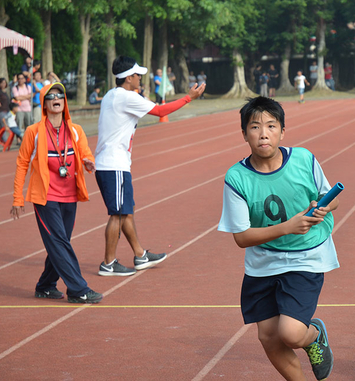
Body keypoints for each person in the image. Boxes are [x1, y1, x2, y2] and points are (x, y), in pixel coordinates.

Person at [218, 96, 339, 381]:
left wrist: (322, 206)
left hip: (306, 257)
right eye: (255, 127)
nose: (263, 133)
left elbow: (330, 198)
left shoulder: (304, 159)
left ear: (282, 131)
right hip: (263, 263)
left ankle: (314, 335)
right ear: (244, 134)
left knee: (292, 333)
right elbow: (242, 237)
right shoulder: (236, 178)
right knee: (269, 337)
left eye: (271, 126)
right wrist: (288, 226)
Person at [94, 55, 206, 276]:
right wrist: (188, 98)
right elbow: (160, 111)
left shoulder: (111, 95)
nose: (140, 79)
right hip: (113, 164)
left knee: (127, 211)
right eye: (137, 75)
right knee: (117, 214)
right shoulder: (126, 97)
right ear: (128, 78)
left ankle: (140, 255)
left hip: (114, 163)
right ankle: (108, 263)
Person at [10, 82, 103, 304]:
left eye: (59, 95)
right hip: (45, 197)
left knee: (60, 241)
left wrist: (88, 162)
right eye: (50, 96)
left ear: (64, 101)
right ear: (44, 103)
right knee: (60, 241)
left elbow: (85, 153)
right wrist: (17, 198)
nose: (56, 98)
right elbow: (22, 164)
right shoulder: (34, 132)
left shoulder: (76, 131)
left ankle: (45, 285)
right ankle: (78, 289)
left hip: (70, 195)